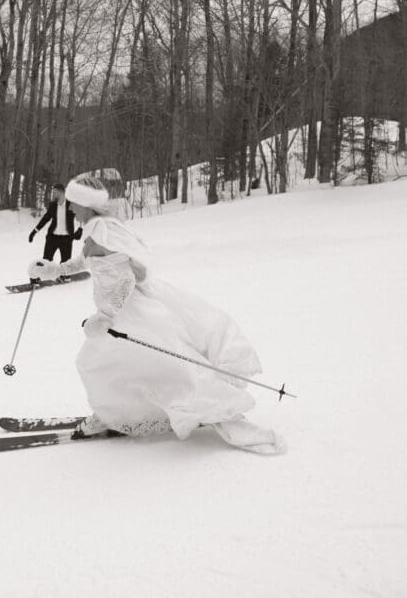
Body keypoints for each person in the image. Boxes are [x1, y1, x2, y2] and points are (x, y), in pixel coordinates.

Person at [28, 174, 286, 455]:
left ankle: (188, 407)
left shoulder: (104, 231)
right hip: (120, 313)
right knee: (120, 366)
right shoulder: (97, 229)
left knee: (99, 363)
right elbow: (89, 260)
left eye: (74, 204)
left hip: (130, 313)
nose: (70, 209)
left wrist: (105, 315)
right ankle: (115, 413)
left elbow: (126, 279)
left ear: (87, 205)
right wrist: (53, 270)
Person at [28, 183, 83, 265]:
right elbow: (45, 219)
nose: (53, 194)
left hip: (67, 239)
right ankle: (46, 276)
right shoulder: (53, 205)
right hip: (52, 238)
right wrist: (34, 231)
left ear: (61, 192)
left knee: (66, 263)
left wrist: (80, 229)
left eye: (55, 192)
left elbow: (81, 215)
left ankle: (64, 277)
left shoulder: (71, 205)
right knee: (46, 260)